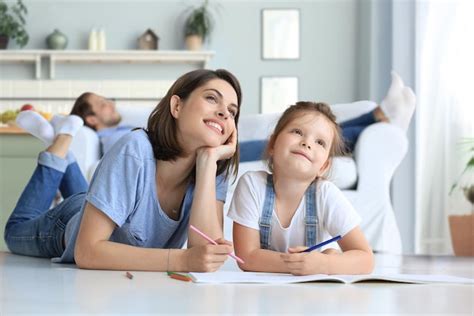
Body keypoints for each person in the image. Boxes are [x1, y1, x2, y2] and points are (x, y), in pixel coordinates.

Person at [5, 68, 242, 272]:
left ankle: (59, 145)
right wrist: (180, 260)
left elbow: (205, 255)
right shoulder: (135, 149)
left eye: (232, 111)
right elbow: (87, 251)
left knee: (90, 198)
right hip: (68, 225)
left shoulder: (213, 167)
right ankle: (59, 144)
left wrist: (208, 163)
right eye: (212, 98)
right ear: (177, 106)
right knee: (15, 230)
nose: (224, 113)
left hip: (105, 206)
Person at [228, 101, 375, 275]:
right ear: (272, 144)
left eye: (320, 142)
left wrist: (326, 264)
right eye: (297, 132)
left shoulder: (325, 194)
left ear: (323, 166)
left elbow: (366, 259)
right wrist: (299, 265)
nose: (307, 143)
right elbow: (246, 257)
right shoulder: (252, 184)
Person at [239, 71, 416, 162]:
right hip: (235, 154)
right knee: (325, 138)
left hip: (236, 149)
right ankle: (386, 118)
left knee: (323, 130)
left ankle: (381, 114)